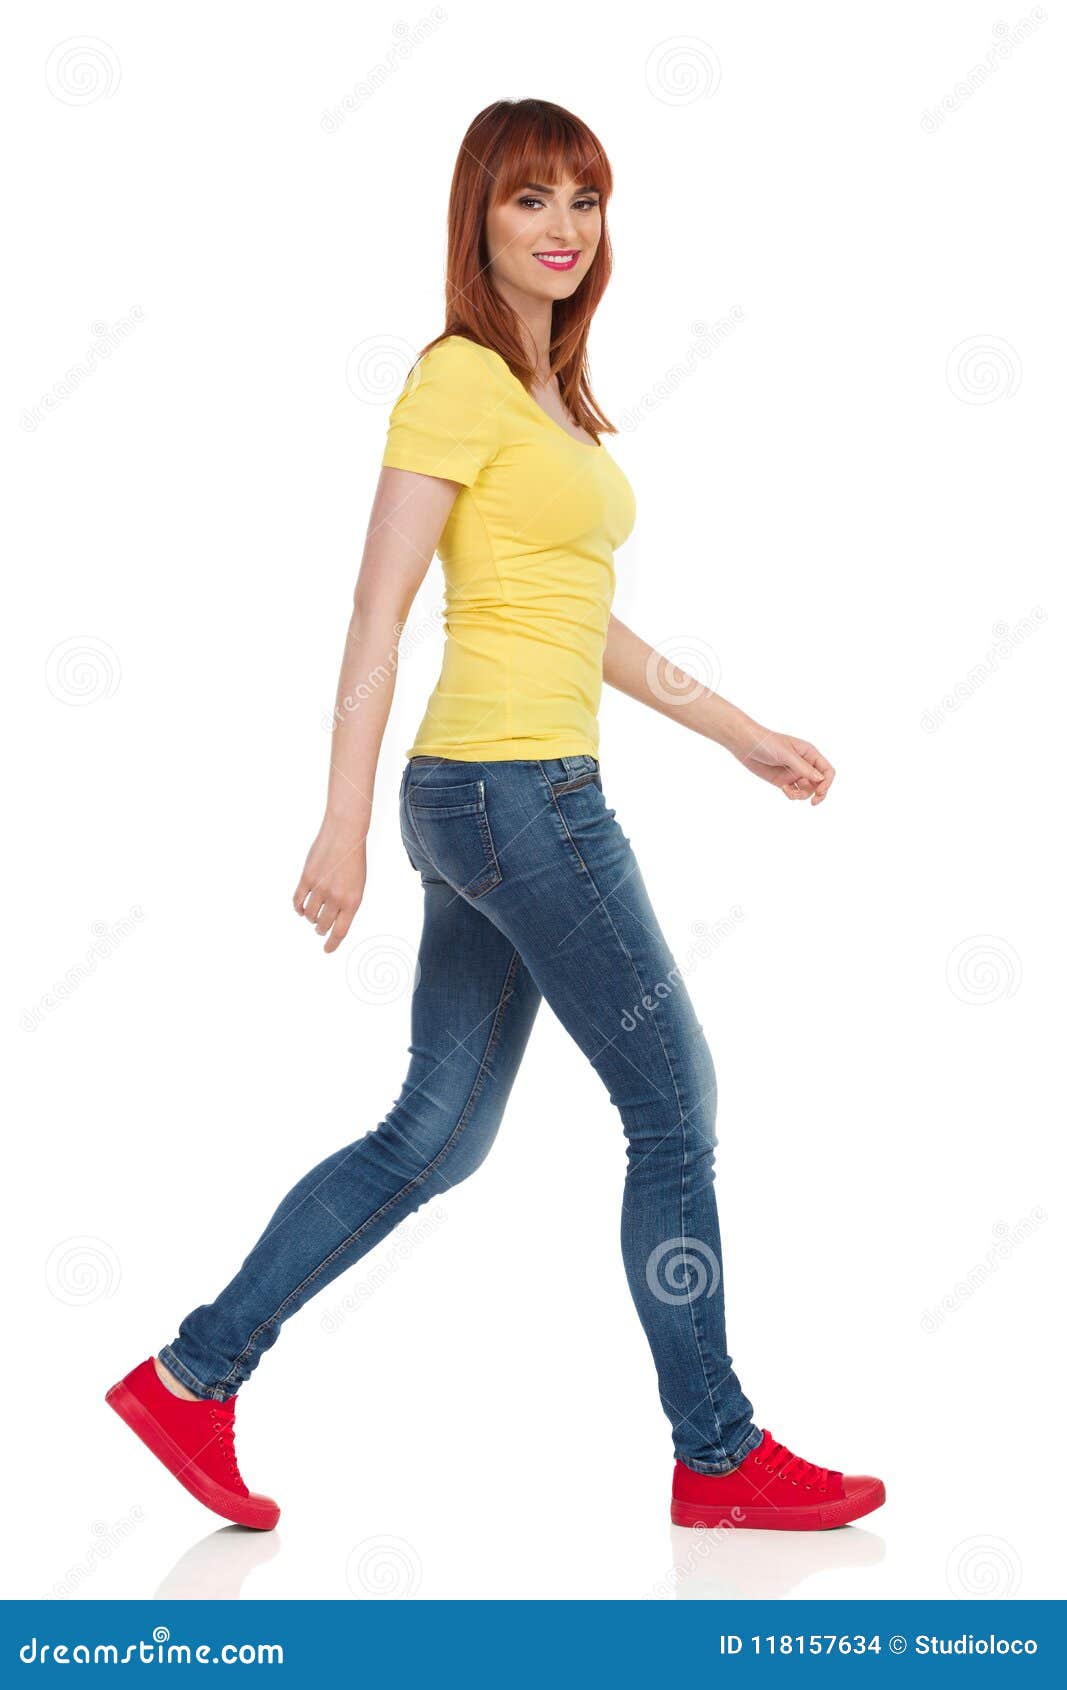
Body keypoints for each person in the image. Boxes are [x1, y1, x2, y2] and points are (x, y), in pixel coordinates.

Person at [106, 98, 885, 1537]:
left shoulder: (553, 404)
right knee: (675, 1112)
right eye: (531, 200)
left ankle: (192, 1371)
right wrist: (337, 823)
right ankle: (717, 1456)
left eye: (584, 202)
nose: (564, 229)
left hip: (495, 797)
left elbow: (588, 630)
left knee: (436, 1133)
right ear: (479, 219)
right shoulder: (456, 378)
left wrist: (742, 733)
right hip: (518, 798)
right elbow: (378, 607)